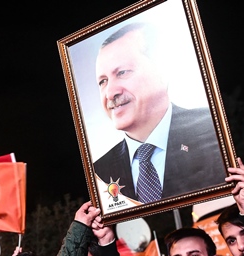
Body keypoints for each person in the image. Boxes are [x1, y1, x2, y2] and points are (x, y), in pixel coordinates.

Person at [92, 22, 224, 203]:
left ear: (163, 72)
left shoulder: (212, 130)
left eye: (122, 72)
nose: (110, 93)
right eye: (103, 81)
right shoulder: (99, 173)